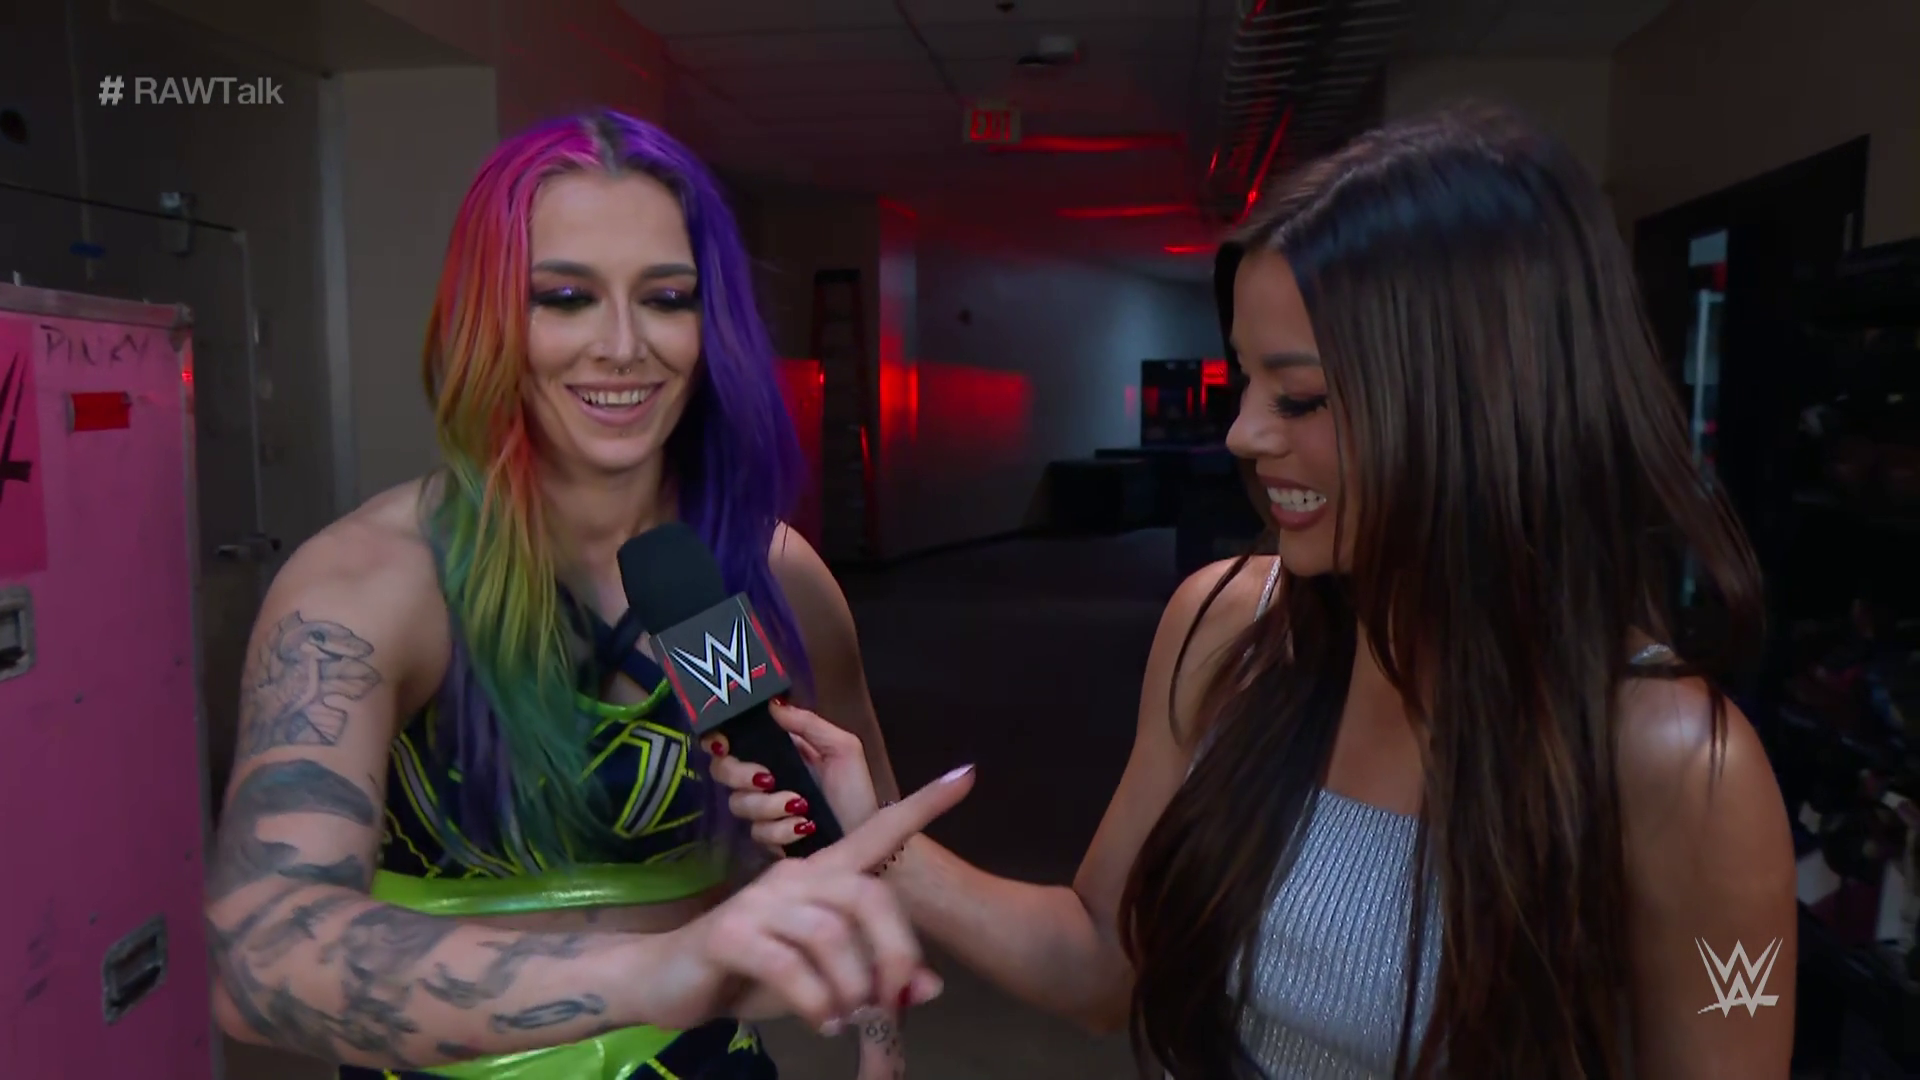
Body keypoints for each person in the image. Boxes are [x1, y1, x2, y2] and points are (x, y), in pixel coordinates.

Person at [710, 106, 1798, 1079]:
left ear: (1480, 403)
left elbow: (1730, 1022)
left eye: (1301, 396)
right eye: (1245, 380)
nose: (1242, 434)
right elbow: (1099, 966)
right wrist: (878, 841)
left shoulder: (1680, 766)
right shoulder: (1227, 624)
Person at [202, 109, 965, 1080]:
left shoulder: (764, 573)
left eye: (666, 298)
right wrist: (658, 972)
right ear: (488, 317)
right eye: (565, 297)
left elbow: (862, 843)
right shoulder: (367, 585)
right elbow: (262, 961)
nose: (622, 345)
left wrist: (881, 1052)